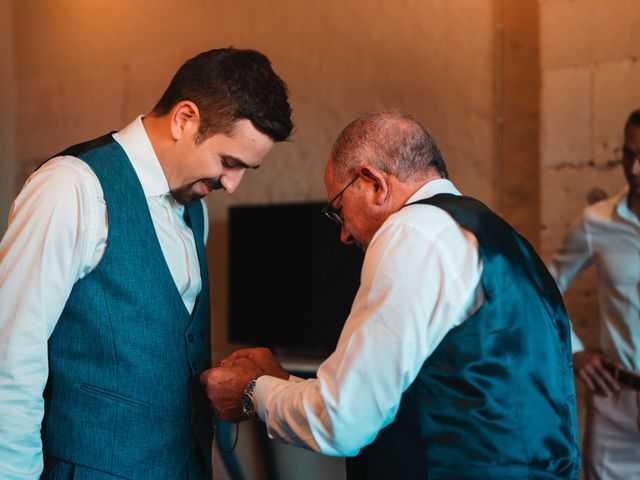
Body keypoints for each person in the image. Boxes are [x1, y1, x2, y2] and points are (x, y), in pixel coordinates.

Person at [200, 111, 581, 479]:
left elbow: (342, 422)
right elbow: (407, 396)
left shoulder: (412, 232)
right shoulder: (505, 241)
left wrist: (252, 392)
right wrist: (282, 381)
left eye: (338, 209)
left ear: (374, 184)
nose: (344, 234)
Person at [0, 47, 292, 480]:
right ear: (185, 119)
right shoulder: (70, 188)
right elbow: (11, 358)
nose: (232, 184)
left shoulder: (196, 209)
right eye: (229, 163)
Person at [548, 109, 640, 480]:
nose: (634, 170)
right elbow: (545, 288)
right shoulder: (596, 222)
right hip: (615, 400)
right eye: (629, 155)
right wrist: (575, 350)